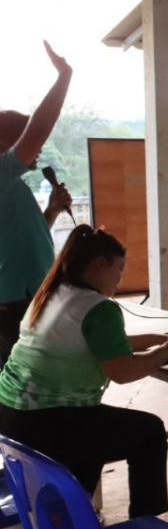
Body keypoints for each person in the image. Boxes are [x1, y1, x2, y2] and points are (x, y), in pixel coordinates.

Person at [0, 225, 168, 517]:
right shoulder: (99, 308)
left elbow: (91, 343)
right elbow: (122, 370)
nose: (120, 279)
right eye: (119, 269)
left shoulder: (54, 291)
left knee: (98, 426)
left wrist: (160, 341)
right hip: (43, 421)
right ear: (99, 264)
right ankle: (145, 525)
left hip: (10, 413)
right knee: (148, 432)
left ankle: (73, 510)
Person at [0, 41, 74, 368]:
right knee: (27, 381)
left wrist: (52, 212)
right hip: (14, 304)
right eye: (31, 144)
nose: (38, 151)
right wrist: (64, 76)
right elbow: (39, 129)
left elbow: (15, 240)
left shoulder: (12, 185)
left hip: (28, 297)